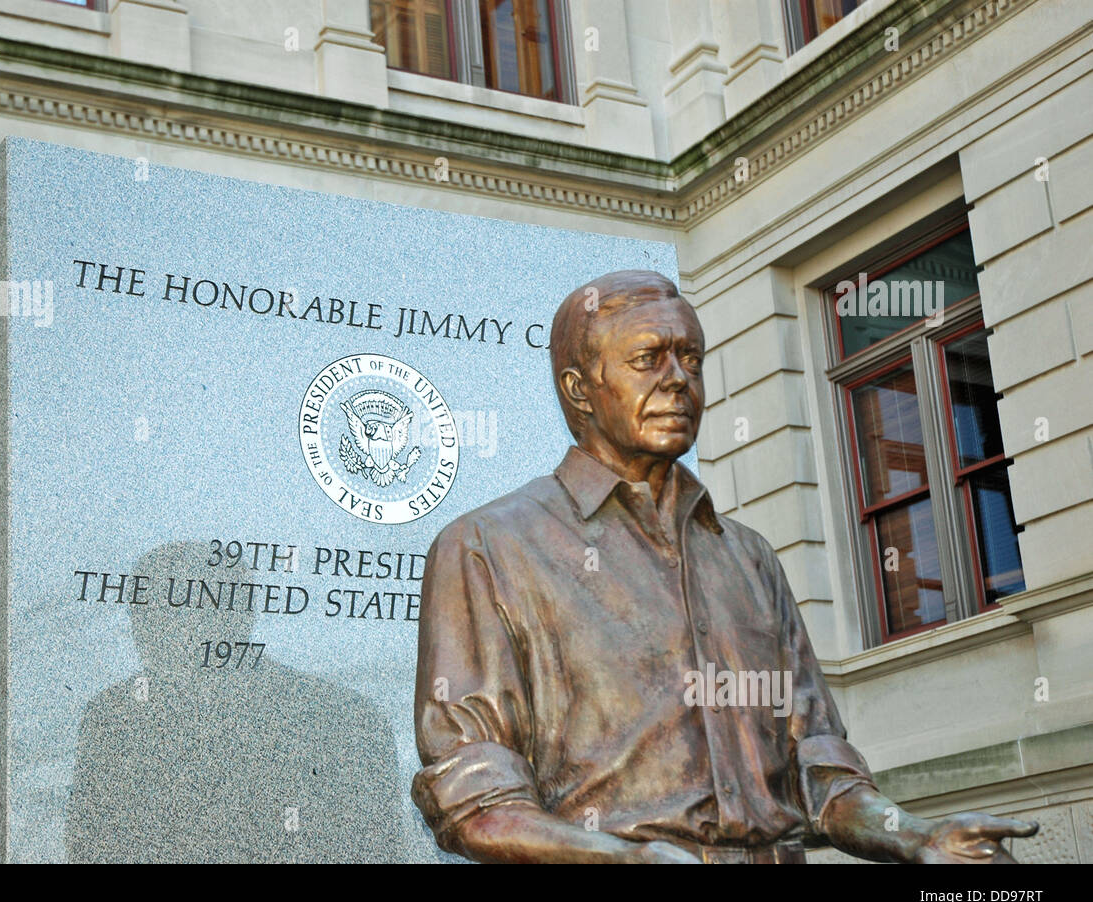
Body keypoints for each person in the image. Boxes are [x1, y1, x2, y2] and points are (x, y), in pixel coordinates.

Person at [410, 269, 1039, 864]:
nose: (679, 379)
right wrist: (622, 859)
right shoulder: (488, 546)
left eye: (691, 358)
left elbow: (822, 775)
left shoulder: (747, 555)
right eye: (646, 359)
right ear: (580, 390)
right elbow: (476, 803)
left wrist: (916, 837)